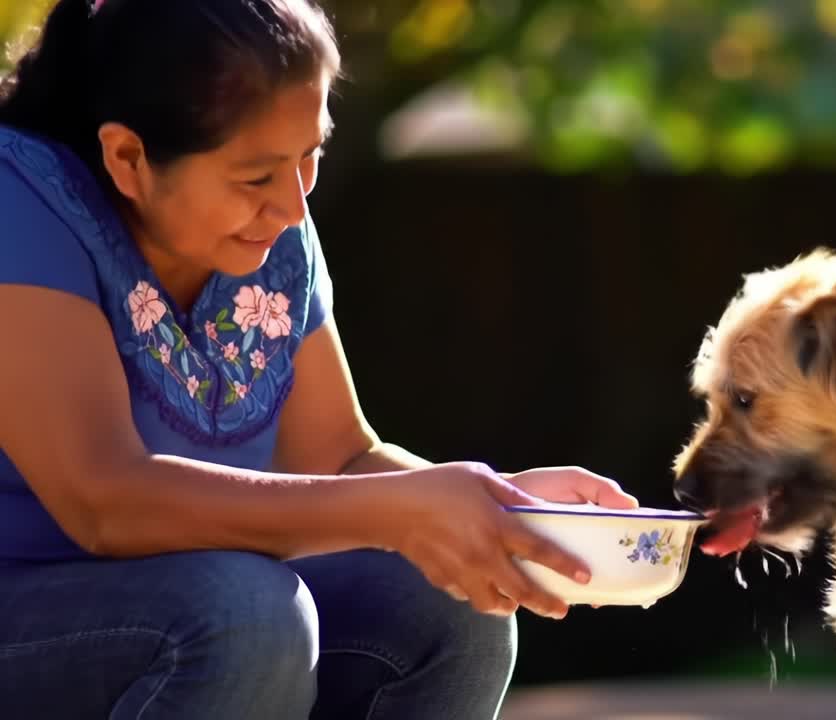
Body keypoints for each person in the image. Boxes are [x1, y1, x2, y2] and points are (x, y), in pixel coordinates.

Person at [0, 1, 639, 717]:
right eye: (257, 177)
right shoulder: (17, 201)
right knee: (246, 615)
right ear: (129, 158)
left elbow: (337, 460)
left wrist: (498, 511)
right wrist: (400, 510)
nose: (294, 207)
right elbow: (103, 500)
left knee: (446, 600)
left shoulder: (272, 232)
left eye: (311, 158)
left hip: (182, 605)